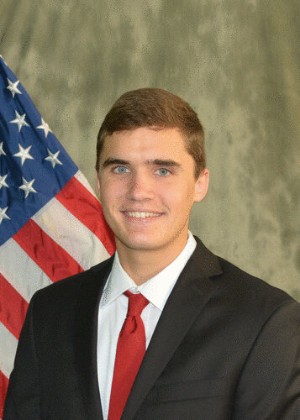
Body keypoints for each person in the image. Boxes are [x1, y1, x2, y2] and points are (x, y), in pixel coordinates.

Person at [4, 88, 300, 420]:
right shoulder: (49, 314)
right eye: (120, 169)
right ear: (99, 182)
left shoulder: (265, 321)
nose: (138, 192)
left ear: (200, 183)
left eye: (162, 170)